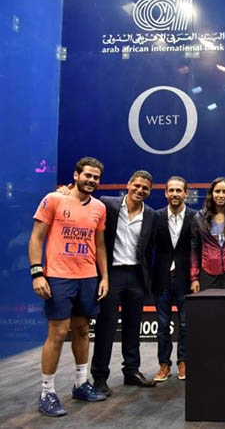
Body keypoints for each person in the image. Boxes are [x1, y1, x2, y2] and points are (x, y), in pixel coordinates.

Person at [29, 157, 108, 417]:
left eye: (96, 177)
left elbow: (99, 245)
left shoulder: (99, 207)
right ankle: (47, 392)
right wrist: (37, 273)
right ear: (76, 175)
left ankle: (80, 383)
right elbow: (36, 237)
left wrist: (104, 277)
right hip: (58, 276)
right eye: (88, 175)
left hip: (87, 277)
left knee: (83, 330)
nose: (92, 180)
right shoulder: (53, 199)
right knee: (58, 332)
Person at [91, 170, 158, 395]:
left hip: (136, 276)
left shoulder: (151, 215)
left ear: (150, 191)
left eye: (145, 188)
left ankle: (131, 371)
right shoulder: (107, 204)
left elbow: (148, 248)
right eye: (136, 186)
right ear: (128, 185)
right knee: (106, 326)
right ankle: (100, 377)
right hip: (112, 274)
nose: (140, 190)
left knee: (133, 326)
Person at [152, 177, 196, 383]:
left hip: (186, 279)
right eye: (171, 190)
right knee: (162, 325)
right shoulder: (156, 216)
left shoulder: (195, 217)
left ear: (186, 193)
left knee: (186, 324)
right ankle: (164, 364)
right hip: (161, 278)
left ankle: (183, 361)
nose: (175, 194)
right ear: (165, 193)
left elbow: (198, 248)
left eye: (179, 190)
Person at [191, 177, 225, 291]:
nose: (221, 195)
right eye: (217, 191)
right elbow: (195, 248)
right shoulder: (199, 218)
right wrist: (194, 278)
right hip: (208, 273)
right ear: (211, 193)